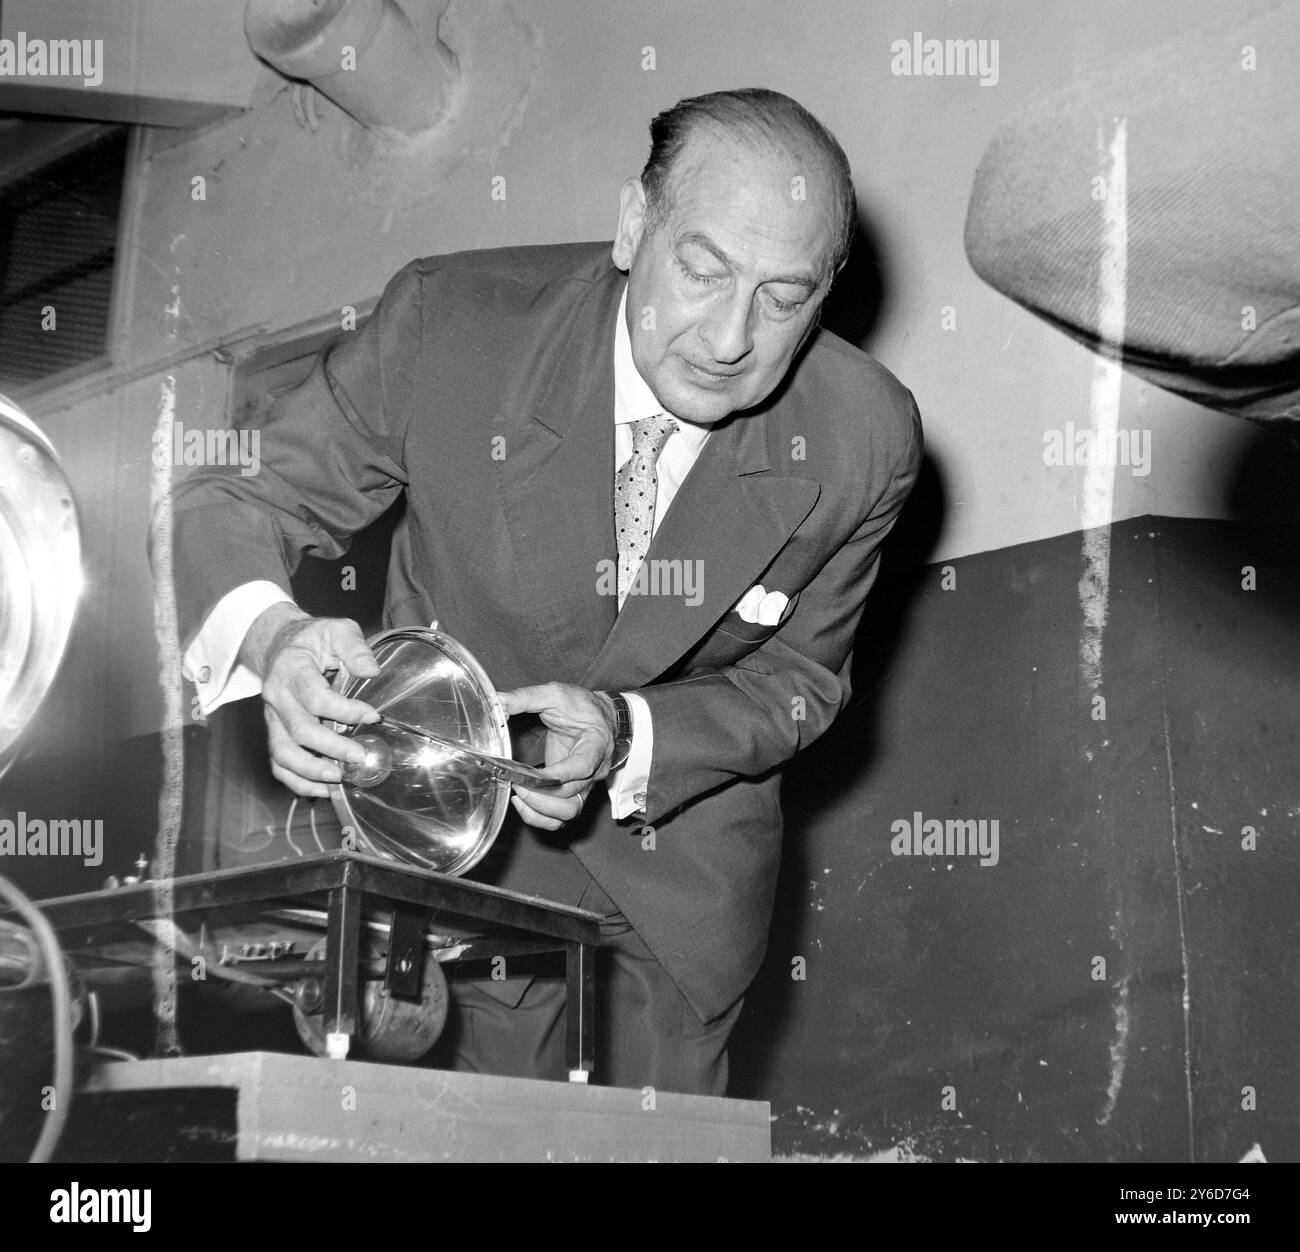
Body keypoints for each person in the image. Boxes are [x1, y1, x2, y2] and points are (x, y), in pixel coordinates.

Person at [167, 88, 922, 1096]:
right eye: (703, 270)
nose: (731, 335)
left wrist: (628, 729)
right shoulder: (453, 329)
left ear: (826, 294)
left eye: (784, 297)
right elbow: (229, 502)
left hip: (683, 893)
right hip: (454, 850)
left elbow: (801, 680)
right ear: (630, 226)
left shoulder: (862, 434)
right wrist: (272, 640)